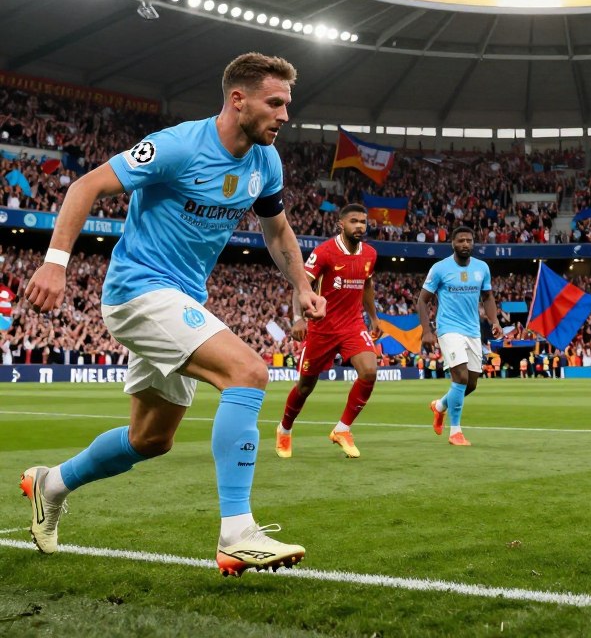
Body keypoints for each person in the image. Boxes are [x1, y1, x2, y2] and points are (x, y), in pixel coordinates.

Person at [20, 53, 326, 576]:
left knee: (150, 440)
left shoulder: (265, 161)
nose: (284, 115)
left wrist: (300, 284)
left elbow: (277, 230)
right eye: (275, 103)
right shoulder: (178, 145)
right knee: (248, 372)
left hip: (184, 299)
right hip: (138, 291)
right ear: (238, 100)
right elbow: (84, 186)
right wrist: (55, 263)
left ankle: (50, 484)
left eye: (286, 104)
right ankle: (237, 534)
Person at [276, 204, 381, 459]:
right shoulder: (324, 252)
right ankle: (284, 429)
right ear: (340, 224)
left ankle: (342, 429)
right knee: (305, 386)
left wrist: (374, 317)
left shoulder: (370, 254)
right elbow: (301, 285)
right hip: (322, 328)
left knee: (369, 371)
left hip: (353, 325)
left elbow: (367, 285)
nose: (360, 226)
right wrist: (298, 319)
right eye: (354, 221)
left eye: (363, 222)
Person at [417, 226, 501, 446]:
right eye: (461, 240)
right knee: (460, 378)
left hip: (472, 330)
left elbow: (488, 297)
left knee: (471, 384)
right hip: (449, 328)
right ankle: (455, 432)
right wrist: (427, 330)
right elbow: (422, 300)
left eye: (469, 240)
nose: (465, 244)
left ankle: (439, 406)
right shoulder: (440, 268)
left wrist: (494, 321)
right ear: (452, 243)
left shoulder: (482, 268)